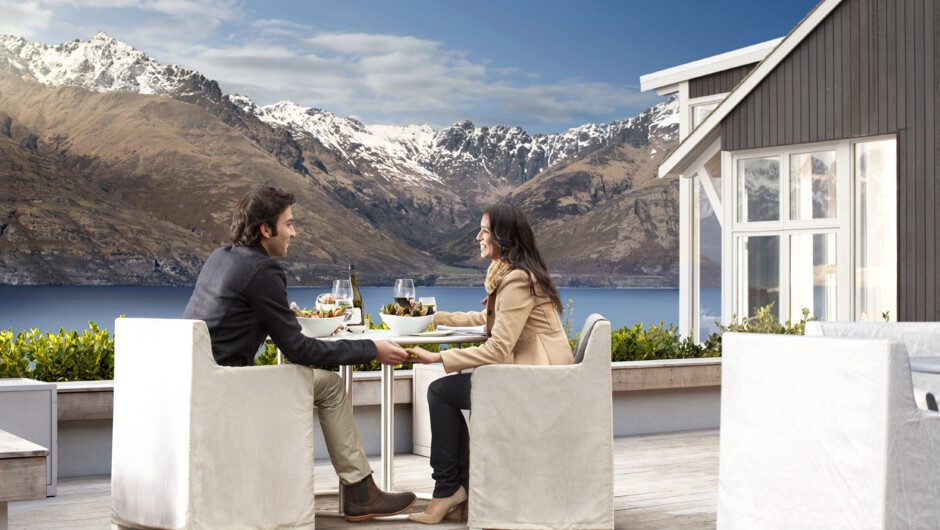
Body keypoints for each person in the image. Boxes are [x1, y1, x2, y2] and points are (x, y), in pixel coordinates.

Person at [182, 185, 416, 522]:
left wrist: (289, 320)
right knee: (331, 386)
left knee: (321, 381)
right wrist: (371, 349)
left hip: (199, 381)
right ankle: (361, 495)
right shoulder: (264, 271)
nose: (294, 231)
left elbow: (234, 318)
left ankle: (357, 492)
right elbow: (299, 350)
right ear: (266, 229)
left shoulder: (221, 257)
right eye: (288, 223)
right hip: (229, 387)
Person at [405, 204, 573, 524]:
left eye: (484, 230)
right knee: (443, 392)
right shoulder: (513, 274)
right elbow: (487, 320)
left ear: (502, 236)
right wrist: (431, 318)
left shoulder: (517, 279)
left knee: (441, 392)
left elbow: (497, 348)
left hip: (538, 382)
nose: (478, 236)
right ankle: (459, 489)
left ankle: (450, 490)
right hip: (530, 373)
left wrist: (439, 356)